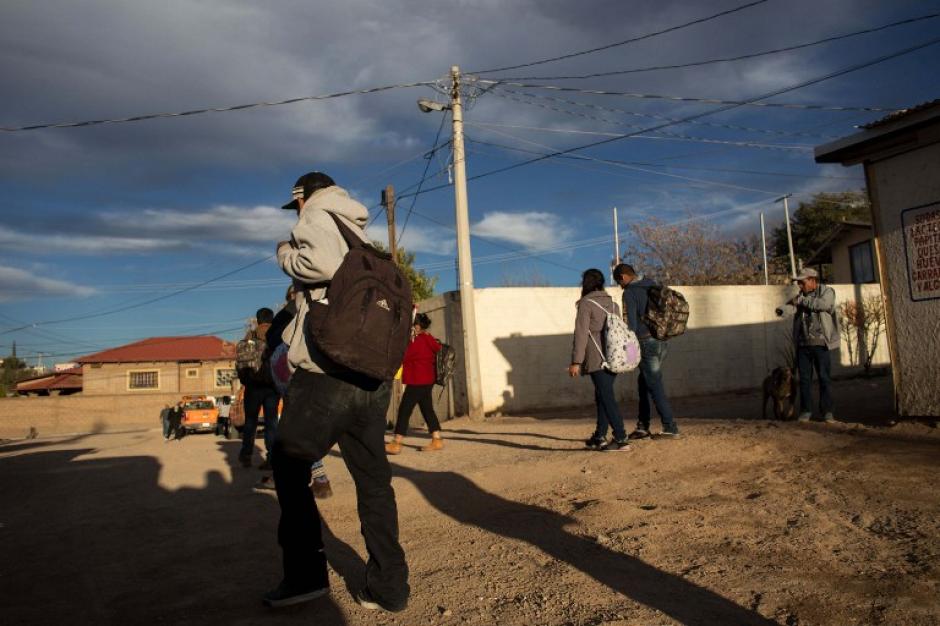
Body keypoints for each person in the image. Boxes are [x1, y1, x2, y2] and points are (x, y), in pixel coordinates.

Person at [265, 171, 409, 611]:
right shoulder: (360, 235)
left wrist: (285, 253)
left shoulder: (315, 216)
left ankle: (305, 577)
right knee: (374, 482)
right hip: (371, 376)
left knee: (289, 465)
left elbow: (321, 265)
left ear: (303, 197)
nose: (297, 212)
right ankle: (389, 588)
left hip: (327, 372)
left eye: (296, 204)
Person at [255, 286, 333, 499]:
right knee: (302, 426)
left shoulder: (291, 310)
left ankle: (316, 478)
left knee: (295, 427)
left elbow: (273, 338)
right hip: (316, 373)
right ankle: (313, 477)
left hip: (292, 371)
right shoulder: (326, 306)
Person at [613, 263, 680, 439]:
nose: (620, 286)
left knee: (654, 384)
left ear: (623, 277)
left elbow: (631, 327)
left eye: (619, 282)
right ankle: (643, 426)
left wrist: (629, 354)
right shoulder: (652, 284)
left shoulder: (629, 292)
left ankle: (670, 427)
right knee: (644, 382)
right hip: (661, 341)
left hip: (645, 343)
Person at [568, 269, 631, 452]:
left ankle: (621, 438)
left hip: (597, 358)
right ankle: (599, 436)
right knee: (602, 395)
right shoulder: (613, 304)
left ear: (586, 283)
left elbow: (581, 334)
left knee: (606, 397)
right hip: (614, 357)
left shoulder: (586, 304)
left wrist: (576, 361)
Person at [385, 313, 444, 454]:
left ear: (417, 326)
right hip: (427, 380)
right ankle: (437, 439)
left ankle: (397, 442)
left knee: (405, 410)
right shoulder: (428, 338)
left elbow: (404, 356)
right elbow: (436, 349)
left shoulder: (417, 341)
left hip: (417, 381)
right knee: (427, 409)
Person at [787, 268, 839, 423]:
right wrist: (785, 308)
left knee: (824, 378)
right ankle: (806, 411)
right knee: (804, 380)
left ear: (812, 280)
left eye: (802, 282)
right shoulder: (800, 296)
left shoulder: (827, 292)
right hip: (803, 344)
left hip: (821, 344)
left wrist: (801, 301)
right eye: (798, 283)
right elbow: (791, 308)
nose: (799, 286)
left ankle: (827, 412)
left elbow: (823, 305)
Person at [238, 308, 280, 470]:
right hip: (272, 387)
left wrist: (245, 381)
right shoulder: (277, 335)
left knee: (250, 421)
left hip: (253, 386)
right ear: (272, 319)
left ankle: (246, 456)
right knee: (271, 422)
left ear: (258, 320)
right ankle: (271, 458)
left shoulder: (249, 336)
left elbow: (241, 362)